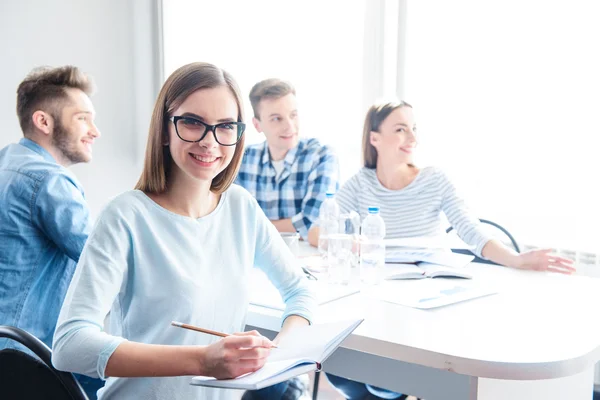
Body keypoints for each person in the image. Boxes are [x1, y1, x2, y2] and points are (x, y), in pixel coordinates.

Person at [52, 62, 315, 400]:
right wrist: (202, 360)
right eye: (192, 123)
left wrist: (275, 353)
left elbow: (301, 292)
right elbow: (70, 345)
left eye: (225, 127)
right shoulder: (126, 216)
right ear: (164, 130)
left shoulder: (240, 207)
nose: (210, 142)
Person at [316, 101, 575, 399]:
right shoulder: (359, 184)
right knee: (342, 367)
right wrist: (349, 241)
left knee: (391, 379)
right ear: (375, 138)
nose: (412, 138)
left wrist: (516, 260)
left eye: (413, 129)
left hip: (423, 304)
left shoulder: (433, 179)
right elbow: (321, 230)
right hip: (375, 300)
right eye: (400, 129)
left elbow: (471, 231)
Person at [0, 65, 104, 398]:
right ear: (43, 122)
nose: (94, 131)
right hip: (27, 354)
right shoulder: (48, 181)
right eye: (82, 118)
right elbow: (100, 257)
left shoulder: (7, 161)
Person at [235, 78, 339, 241]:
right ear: (257, 125)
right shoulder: (243, 160)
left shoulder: (321, 156)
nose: (290, 126)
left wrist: (255, 227)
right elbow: (233, 220)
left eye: (293, 115)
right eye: (277, 118)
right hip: (257, 259)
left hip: (307, 260)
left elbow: (311, 223)